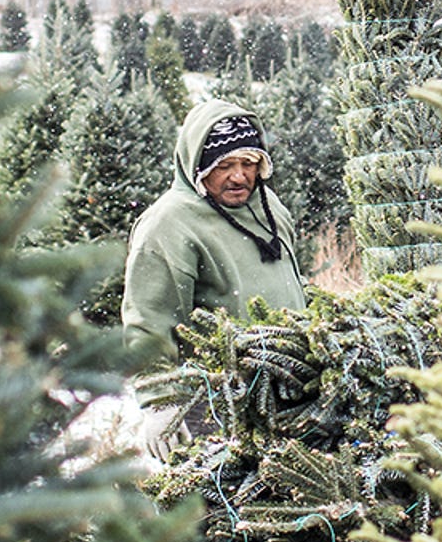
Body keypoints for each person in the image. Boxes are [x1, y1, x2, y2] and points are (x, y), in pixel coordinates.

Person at [121, 98, 308, 356]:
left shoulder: (267, 206)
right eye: (224, 165)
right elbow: (149, 333)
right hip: (226, 379)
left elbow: (289, 281)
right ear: (199, 167)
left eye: (248, 163)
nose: (239, 176)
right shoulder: (168, 225)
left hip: (297, 374)